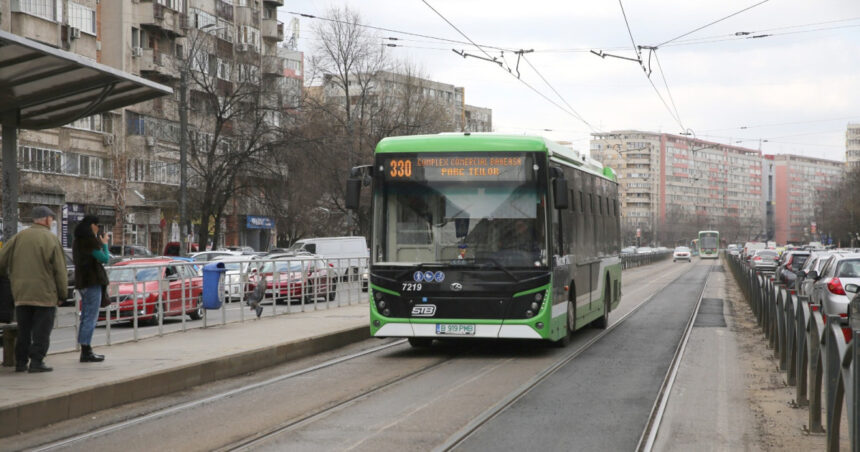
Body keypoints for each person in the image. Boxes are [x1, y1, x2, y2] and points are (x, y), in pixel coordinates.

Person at [0, 206, 68, 373]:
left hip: (21, 294)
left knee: (24, 329)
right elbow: (60, 270)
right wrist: (62, 294)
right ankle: (37, 362)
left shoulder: (18, 237)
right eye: (51, 219)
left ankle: (21, 362)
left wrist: (11, 280)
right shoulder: (51, 239)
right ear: (45, 219)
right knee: (41, 331)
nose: (51, 222)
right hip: (45, 294)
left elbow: (2, 261)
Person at [72, 215, 109, 363]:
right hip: (92, 281)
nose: (98, 228)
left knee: (86, 316)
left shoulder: (77, 241)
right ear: (91, 225)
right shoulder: (89, 241)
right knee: (90, 317)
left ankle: (85, 349)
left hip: (82, 282)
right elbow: (104, 258)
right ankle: (86, 351)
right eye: (97, 225)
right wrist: (104, 244)